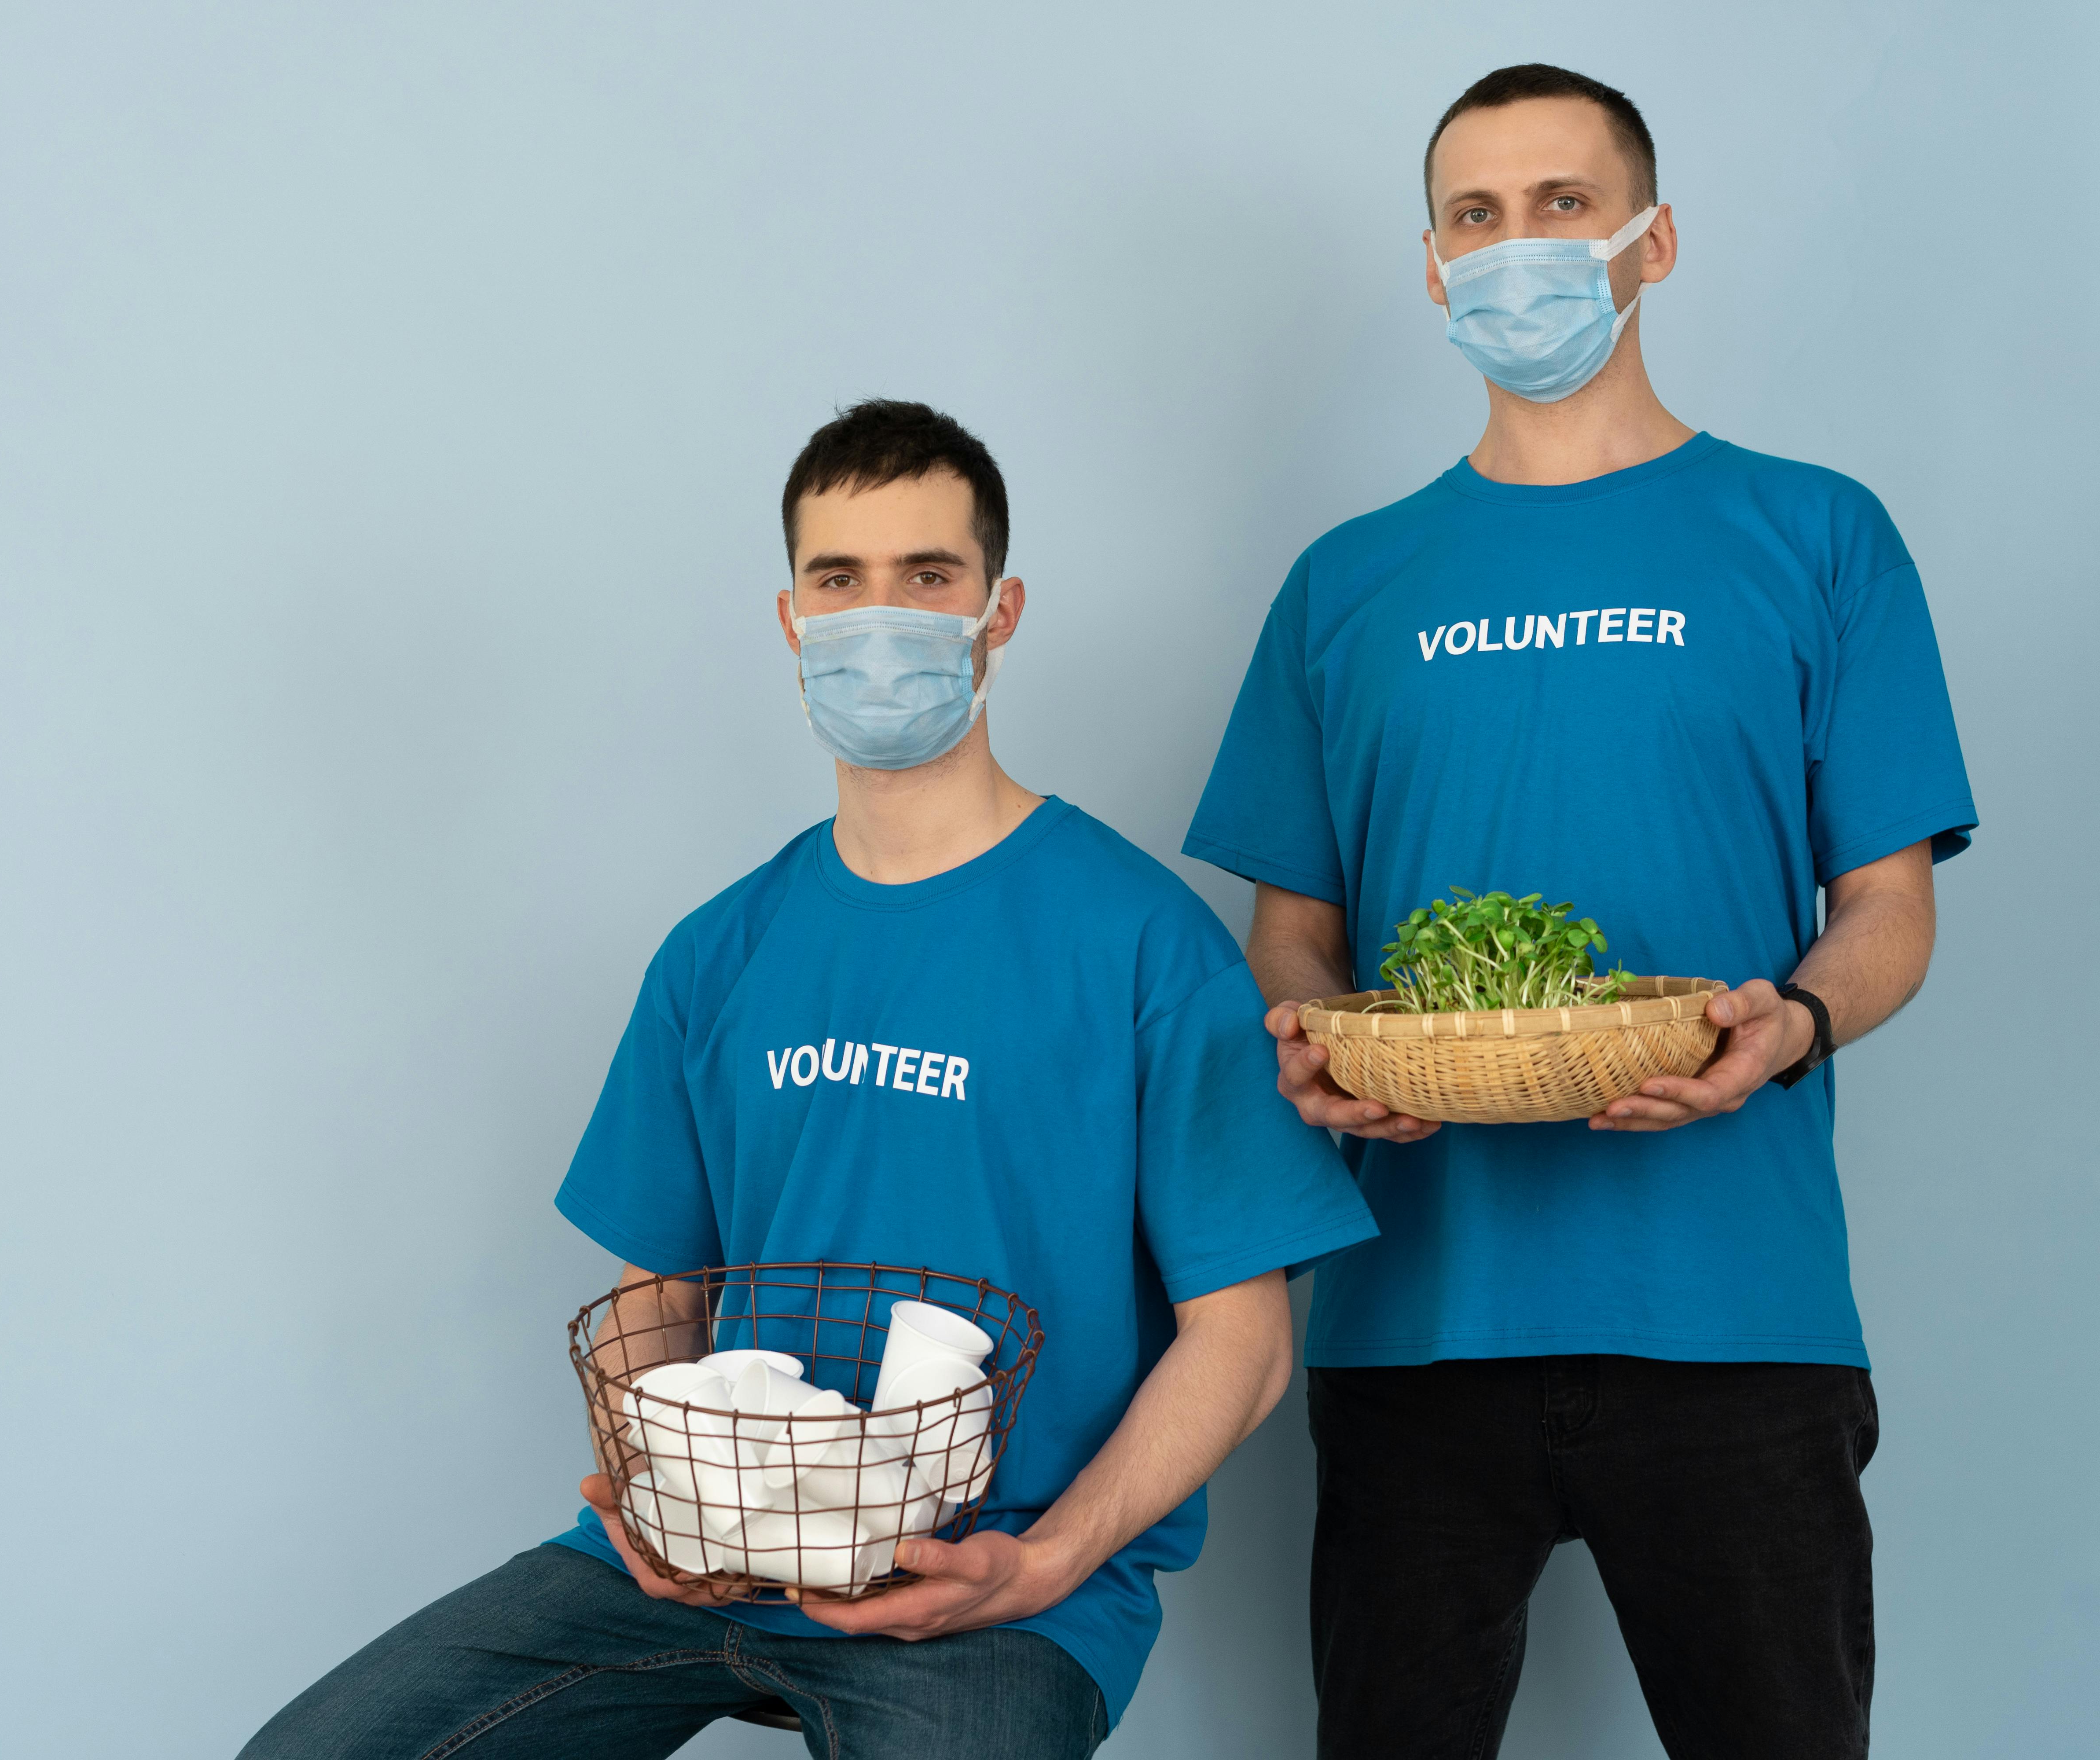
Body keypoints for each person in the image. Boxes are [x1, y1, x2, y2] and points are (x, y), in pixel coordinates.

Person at [239, 400, 1378, 1758]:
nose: (877, 619)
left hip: (990, 1590)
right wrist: (663, 1501)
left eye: (928, 578)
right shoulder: (720, 953)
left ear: (999, 611)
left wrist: (1051, 1563)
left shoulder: (1141, 945)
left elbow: (1241, 1345)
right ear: (791, 619)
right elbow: (663, 1293)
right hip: (700, 1562)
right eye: (839, 582)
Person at [1185, 64, 1975, 1760]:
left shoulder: (1819, 536)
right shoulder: (1348, 582)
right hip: (1418, 1320)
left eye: (1561, 205)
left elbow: (1890, 911)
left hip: (1737, 1312)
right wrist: (1310, 1048)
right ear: (1431, 263)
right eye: (1477, 215)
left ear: (1652, 241)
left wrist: (1796, 1024)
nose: (1517, 247)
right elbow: (1294, 935)